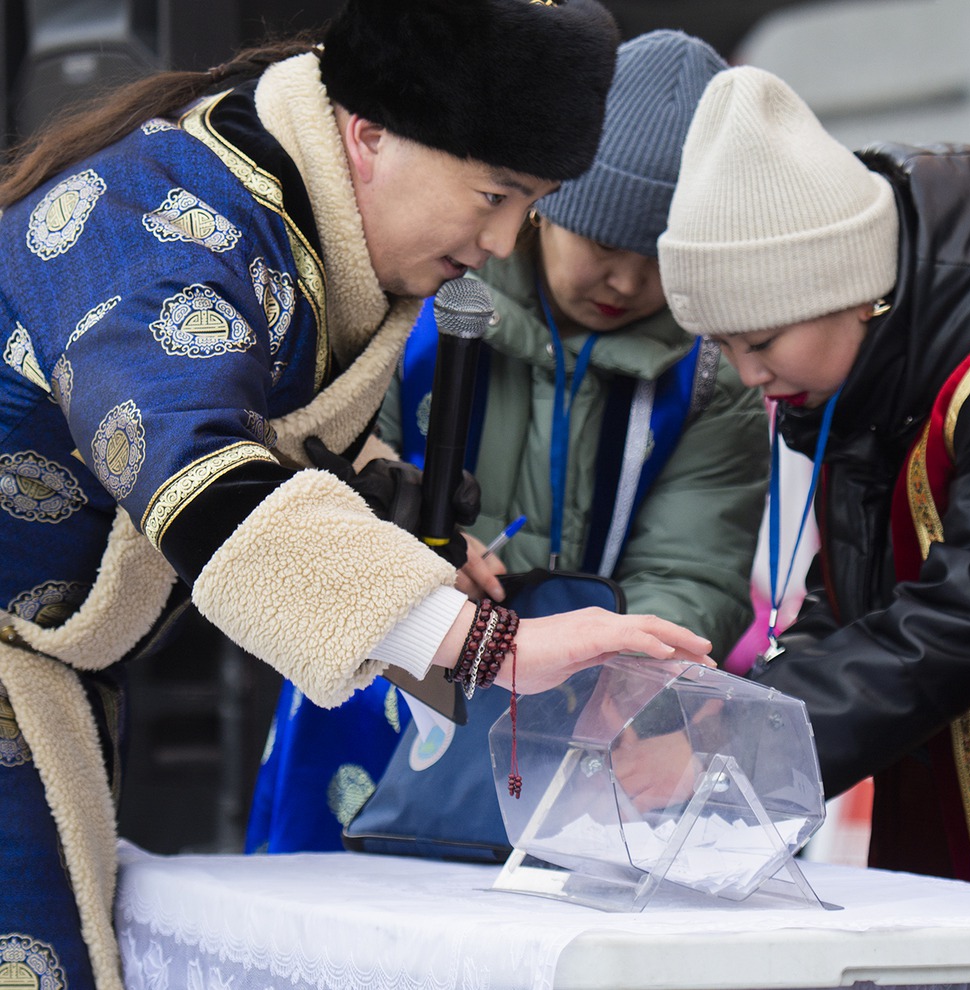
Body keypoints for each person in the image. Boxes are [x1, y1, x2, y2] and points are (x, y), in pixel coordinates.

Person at [0, 4, 713, 989]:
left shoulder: (261, 210)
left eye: (532, 207)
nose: (503, 243)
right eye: (494, 195)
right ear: (369, 137)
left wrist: (410, 530)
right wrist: (494, 649)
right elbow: (197, 469)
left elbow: (286, 443)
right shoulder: (159, 224)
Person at [246, 29, 767, 853]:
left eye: (658, 258)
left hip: (583, 710)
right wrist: (418, 546)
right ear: (544, 203)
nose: (626, 282)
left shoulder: (712, 377)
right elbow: (324, 475)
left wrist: (625, 672)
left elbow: (692, 568)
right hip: (385, 673)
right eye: (602, 246)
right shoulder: (423, 299)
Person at [658, 65, 970, 882]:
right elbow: (845, 599)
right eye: (722, 348)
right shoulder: (864, 375)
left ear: (856, 292)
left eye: (759, 340)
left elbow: (959, 622)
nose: (748, 375)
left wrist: (739, 745)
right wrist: (728, 719)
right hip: (939, 777)